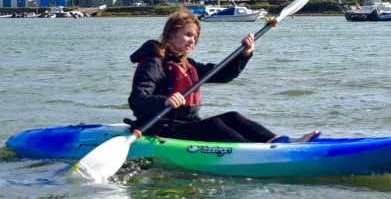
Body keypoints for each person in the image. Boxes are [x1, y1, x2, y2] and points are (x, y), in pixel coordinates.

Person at [126, 9, 318, 143]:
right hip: (160, 127)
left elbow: (224, 74)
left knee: (232, 116)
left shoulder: (189, 65)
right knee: (215, 125)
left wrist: (244, 54)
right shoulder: (154, 63)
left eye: (195, 37)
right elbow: (137, 99)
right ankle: (260, 151)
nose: (192, 41)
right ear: (170, 35)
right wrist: (164, 102)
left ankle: (276, 141)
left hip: (185, 125)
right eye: (187, 35)